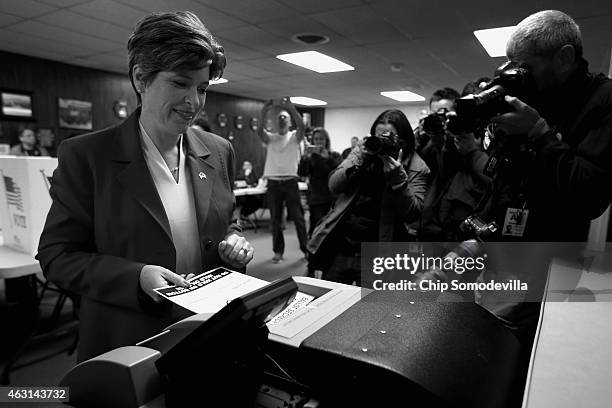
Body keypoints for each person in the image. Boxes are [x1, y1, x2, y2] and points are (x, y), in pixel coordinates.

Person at [37, 11, 253, 362]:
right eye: (180, 84)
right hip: (129, 339)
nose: (194, 103)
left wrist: (233, 241)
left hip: (208, 330)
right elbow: (58, 256)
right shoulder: (87, 156)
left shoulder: (219, 150)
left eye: (202, 89)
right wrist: (135, 277)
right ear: (141, 78)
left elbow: (226, 220)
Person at [308, 109, 430, 285]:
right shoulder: (363, 150)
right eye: (379, 136)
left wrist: (398, 179)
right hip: (343, 246)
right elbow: (334, 186)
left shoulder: (416, 166)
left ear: (402, 140)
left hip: (379, 252)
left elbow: (412, 213)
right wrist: (361, 159)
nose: (382, 141)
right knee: (331, 302)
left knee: (370, 308)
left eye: (389, 137)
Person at [259, 98, 308, 263]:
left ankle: (306, 249)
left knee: (298, 218)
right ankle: (278, 252)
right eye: (279, 117)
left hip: (290, 182)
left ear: (289, 122)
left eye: (284, 117)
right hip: (273, 183)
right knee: (275, 220)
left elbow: (302, 126)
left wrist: (291, 108)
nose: (281, 120)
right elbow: (259, 130)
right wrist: (265, 111)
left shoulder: (295, 137)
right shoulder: (271, 138)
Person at [298, 127, 341, 276]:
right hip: (316, 199)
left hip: (332, 200)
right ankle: (313, 264)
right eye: (316, 140)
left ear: (326, 140)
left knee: (331, 232)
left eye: (321, 139)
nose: (319, 142)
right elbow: (301, 174)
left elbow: (339, 172)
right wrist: (304, 158)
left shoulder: (333, 155)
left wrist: (326, 157)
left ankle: (327, 263)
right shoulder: (310, 158)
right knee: (316, 231)